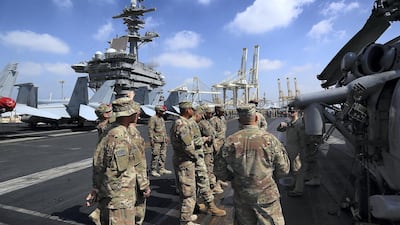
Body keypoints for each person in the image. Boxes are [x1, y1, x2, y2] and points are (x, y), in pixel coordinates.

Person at [214, 104, 290, 225]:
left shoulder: (231, 140)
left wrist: (232, 178)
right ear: (256, 118)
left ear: (239, 120)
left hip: (242, 194)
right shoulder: (270, 139)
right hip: (266, 194)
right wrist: (273, 177)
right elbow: (284, 168)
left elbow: (218, 169)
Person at [86, 97, 151, 225]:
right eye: (135, 113)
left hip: (111, 193)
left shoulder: (109, 133)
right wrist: (144, 186)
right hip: (122, 194)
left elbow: (98, 163)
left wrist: (97, 188)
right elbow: (136, 163)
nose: (137, 115)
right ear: (129, 114)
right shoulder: (122, 136)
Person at [189, 105, 226, 217]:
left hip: (200, 152)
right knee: (204, 177)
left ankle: (195, 205)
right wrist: (205, 139)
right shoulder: (198, 123)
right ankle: (210, 204)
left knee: (199, 178)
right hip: (201, 153)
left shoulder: (191, 123)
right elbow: (211, 133)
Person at [170, 101, 199, 225]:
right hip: (185, 161)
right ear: (187, 110)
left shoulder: (178, 122)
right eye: (192, 109)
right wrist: (196, 157)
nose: (193, 111)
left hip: (180, 159)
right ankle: (185, 221)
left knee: (184, 190)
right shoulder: (182, 124)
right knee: (188, 191)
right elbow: (187, 146)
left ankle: (186, 215)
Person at [88, 103, 114, 225]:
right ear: (105, 114)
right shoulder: (106, 126)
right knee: (110, 190)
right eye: (110, 111)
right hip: (105, 160)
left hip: (102, 159)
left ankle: (99, 213)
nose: (112, 113)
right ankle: (100, 214)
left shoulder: (103, 124)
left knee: (105, 189)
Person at [128, 101, 151, 225]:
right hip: (134, 180)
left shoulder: (114, 131)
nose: (139, 117)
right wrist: (144, 185)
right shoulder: (133, 134)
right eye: (138, 114)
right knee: (137, 211)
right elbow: (139, 162)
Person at [277, 106, 306, 197]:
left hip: (296, 148)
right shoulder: (289, 122)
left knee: (297, 169)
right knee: (293, 169)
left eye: (293, 112)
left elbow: (302, 139)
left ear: (297, 112)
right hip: (289, 147)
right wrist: (281, 125)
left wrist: (301, 150)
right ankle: (295, 185)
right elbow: (279, 129)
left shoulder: (299, 123)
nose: (290, 113)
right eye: (289, 111)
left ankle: (298, 189)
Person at [198, 104, 221, 194]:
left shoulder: (207, 121)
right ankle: (210, 186)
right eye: (209, 113)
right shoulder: (203, 122)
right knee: (208, 168)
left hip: (209, 147)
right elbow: (210, 132)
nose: (211, 115)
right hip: (205, 149)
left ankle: (210, 185)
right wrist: (211, 136)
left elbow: (213, 133)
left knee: (210, 166)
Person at [148, 105, 172, 177]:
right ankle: (153, 170)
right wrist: (151, 139)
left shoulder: (161, 119)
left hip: (163, 139)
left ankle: (162, 168)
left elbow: (163, 129)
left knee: (163, 155)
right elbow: (150, 130)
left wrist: (166, 137)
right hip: (156, 140)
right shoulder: (153, 119)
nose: (163, 113)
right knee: (155, 155)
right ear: (158, 111)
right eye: (161, 111)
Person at [209, 105, 228, 190]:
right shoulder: (213, 120)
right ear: (217, 111)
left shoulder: (222, 118)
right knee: (215, 164)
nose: (223, 112)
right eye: (221, 111)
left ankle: (219, 180)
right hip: (216, 144)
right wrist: (214, 145)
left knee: (221, 163)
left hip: (222, 142)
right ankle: (214, 184)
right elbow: (212, 134)